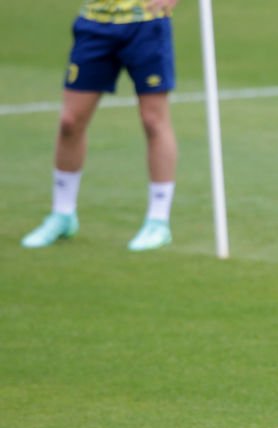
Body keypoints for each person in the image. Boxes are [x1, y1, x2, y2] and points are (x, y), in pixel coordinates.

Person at [21, 0, 180, 251]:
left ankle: (158, 221)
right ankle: (62, 214)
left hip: (146, 22)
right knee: (70, 122)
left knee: (153, 121)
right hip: (95, 22)